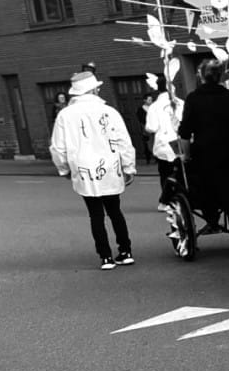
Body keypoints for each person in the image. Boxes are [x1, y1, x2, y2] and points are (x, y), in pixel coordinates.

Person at [49, 70, 137, 269]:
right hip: (110, 165)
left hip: (83, 167)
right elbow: (123, 141)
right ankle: (125, 251)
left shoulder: (65, 115)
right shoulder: (109, 112)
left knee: (95, 214)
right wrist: (128, 166)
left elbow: (58, 147)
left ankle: (105, 257)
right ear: (93, 89)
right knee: (115, 211)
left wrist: (64, 168)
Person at [178, 56, 229, 266]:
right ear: (220, 76)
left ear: (201, 76)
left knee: (214, 190)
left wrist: (186, 155)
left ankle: (228, 228)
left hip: (208, 156)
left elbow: (185, 133)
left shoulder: (194, 99)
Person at [143, 75, 182, 209]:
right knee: (180, 172)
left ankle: (166, 201)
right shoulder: (181, 103)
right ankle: (180, 198)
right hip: (179, 142)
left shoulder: (154, 106)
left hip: (164, 143)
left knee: (165, 173)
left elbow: (151, 127)